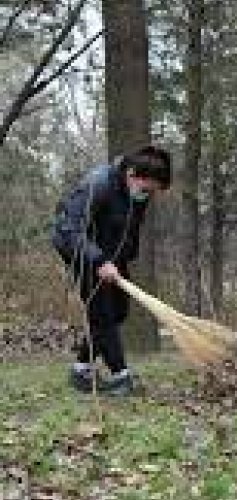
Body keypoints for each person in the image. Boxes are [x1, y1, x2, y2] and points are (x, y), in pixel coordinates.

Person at [52, 146, 172, 396]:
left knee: (118, 310)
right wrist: (97, 260)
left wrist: (121, 261)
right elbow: (69, 229)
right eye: (147, 189)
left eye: (152, 192)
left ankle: (81, 369)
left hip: (110, 258)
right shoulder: (99, 184)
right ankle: (121, 376)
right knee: (102, 312)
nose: (148, 196)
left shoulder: (138, 192)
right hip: (80, 250)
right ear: (131, 173)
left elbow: (128, 229)